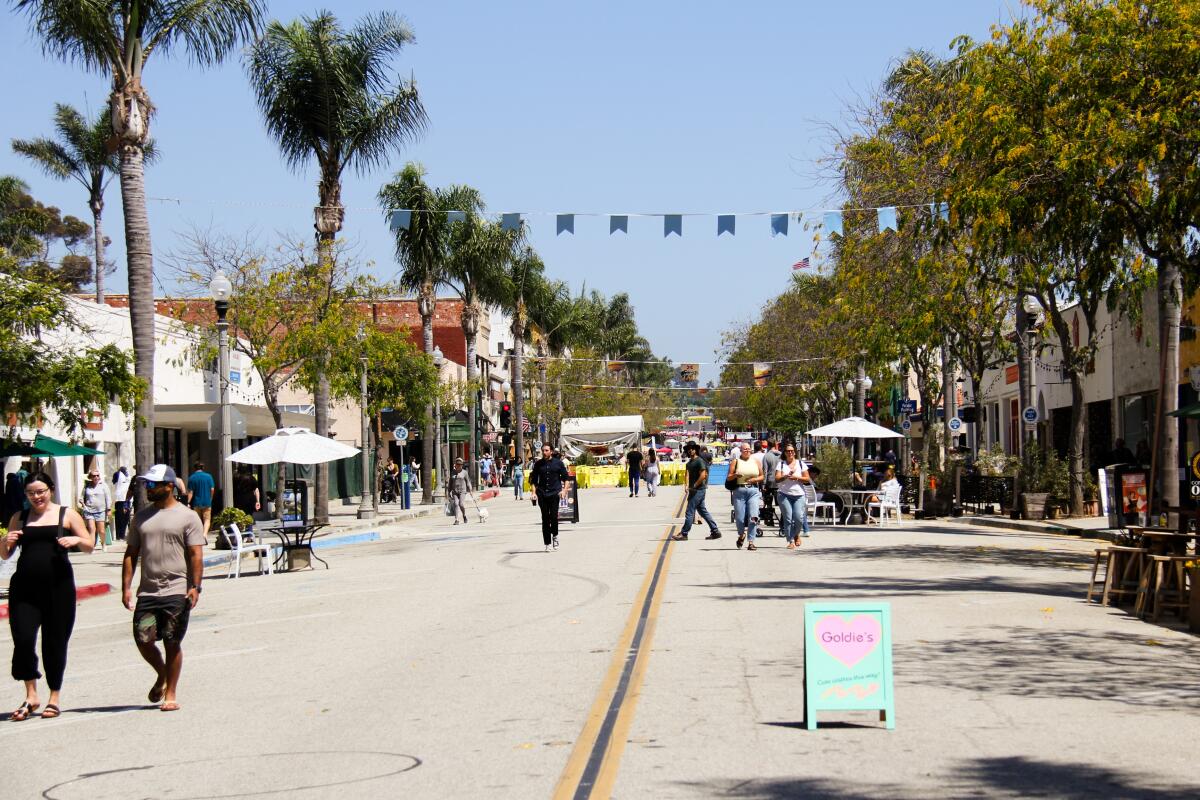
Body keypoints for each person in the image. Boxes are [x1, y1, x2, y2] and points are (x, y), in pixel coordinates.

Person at [3, 472, 92, 721]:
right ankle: (31, 695)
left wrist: (76, 539)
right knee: (23, 640)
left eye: (40, 491)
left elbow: (89, 544)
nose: (36, 497)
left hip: (59, 589)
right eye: (31, 493)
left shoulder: (67, 514)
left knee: (54, 642)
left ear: (50, 490)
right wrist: (4, 541)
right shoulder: (19, 518)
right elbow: (5, 555)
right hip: (24, 589)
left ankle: (54, 697)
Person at [122, 464, 205, 712]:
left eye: (153, 485)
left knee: (172, 641)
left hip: (177, 590)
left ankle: (171, 693)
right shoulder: (141, 517)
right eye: (147, 484)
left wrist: (196, 586)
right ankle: (162, 674)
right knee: (143, 639)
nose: (149, 488)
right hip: (147, 591)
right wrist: (126, 587)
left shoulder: (188, 516)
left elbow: (195, 555)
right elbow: (131, 553)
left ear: (169, 486)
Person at [672, 441, 721, 541]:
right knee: (702, 511)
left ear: (696, 450)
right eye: (689, 449)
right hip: (694, 490)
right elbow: (687, 474)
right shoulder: (689, 463)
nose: (690, 450)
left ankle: (684, 533)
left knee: (689, 512)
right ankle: (715, 531)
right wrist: (686, 485)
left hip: (698, 490)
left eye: (692, 448)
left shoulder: (699, 461)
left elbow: (703, 475)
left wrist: (694, 485)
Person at [530, 444, 569, 551]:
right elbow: (533, 481)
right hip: (542, 493)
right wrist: (533, 493)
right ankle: (547, 543)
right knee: (545, 518)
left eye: (546, 450)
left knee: (553, 517)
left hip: (554, 493)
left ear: (551, 451)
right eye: (543, 450)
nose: (544, 452)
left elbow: (566, 478)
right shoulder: (538, 464)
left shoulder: (558, 463)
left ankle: (555, 536)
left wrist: (564, 490)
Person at [730, 442, 764, 550]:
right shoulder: (735, 462)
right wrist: (735, 475)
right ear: (741, 450)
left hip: (753, 491)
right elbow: (729, 477)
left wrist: (754, 479)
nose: (747, 451)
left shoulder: (756, 461)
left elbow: (762, 476)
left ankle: (751, 541)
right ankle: (741, 535)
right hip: (739, 491)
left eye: (749, 449)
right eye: (745, 449)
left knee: (753, 516)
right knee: (739, 518)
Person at [775, 443, 810, 549]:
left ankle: (796, 534)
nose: (790, 453)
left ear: (795, 452)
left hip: (799, 495)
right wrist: (785, 476)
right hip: (784, 494)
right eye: (787, 451)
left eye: (792, 451)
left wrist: (797, 478)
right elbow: (777, 479)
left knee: (799, 517)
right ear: (784, 453)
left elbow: (807, 479)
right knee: (788, 518)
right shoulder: (781, 464)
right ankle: (790, 541)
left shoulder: (801, 464)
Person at [79, 468, 112, 549]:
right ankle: (92, 546)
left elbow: (108, 498)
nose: (96, 477)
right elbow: (81, 497)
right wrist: (83, 503)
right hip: (89, 510)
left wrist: (108, 509)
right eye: (94, 476)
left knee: (101, 531)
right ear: (91, 477)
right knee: (91, 529)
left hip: (100, 510)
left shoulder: (103, 485)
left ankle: (103, 544)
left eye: (97, 475)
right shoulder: (87, 486)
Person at [761, 439, 781, 528]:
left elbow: (764, 471)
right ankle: (783, 521)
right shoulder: (781, 455)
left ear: (768, 445)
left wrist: (763, 484)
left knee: (768, 502)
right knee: (781, 503)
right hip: (780, 482)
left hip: (769, 482)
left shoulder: (766, 456)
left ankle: (770, 520)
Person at [448, 458, 472, 525]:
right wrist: (448, 492)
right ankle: (456, 519)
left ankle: (464, 516)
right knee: (456, 504)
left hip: (462, 491)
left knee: (461, 504)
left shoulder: (464, 472)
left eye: (460, 465)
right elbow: (450, 483)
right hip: (455, 491)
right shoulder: (452, 472)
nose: (458, 466)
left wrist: (470, 489)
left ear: (462, 465)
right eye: (457, 464)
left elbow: (468, 482)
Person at [112, 465, 133, 541]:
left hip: (128, 499)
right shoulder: (117, 474)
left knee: (126, 518)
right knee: (120, 518)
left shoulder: (129, 476)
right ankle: (119, 535)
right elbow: (114, 481)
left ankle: (122, 535)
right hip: (120, 499)